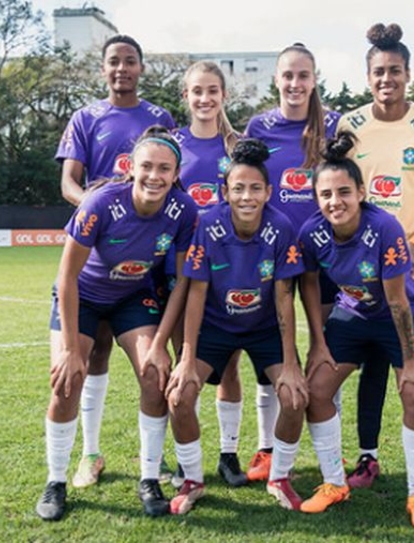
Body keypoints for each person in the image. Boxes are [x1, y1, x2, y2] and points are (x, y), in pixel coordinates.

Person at [35, 127, 198, 521]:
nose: (154, 176)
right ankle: (55, 481)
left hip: (132, 298)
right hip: (84, 298)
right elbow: (67, 278)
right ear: (131, 168)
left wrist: (160, 343)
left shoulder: (183, 210)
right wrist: (73, 350)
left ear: (176, 173)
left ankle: (148, 478)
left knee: (154, 372)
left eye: (164, 168)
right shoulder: (101, 203)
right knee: (67, 379)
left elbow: (179, 284)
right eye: (147, 167)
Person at [336, 23, 414, 498]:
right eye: (379, 72)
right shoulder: (351, 124)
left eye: (395, 71)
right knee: (372, 362)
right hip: (366, 271)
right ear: (369, 78)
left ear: (409, 74)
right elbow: (339, 184)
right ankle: (368, 456)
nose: (387, 78)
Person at [297, 131, 414, 529]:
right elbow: (309, 285)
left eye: (343, 192)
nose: (334, 201)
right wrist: (317, 343)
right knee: (317, 391)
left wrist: (410, 361)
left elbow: (396, 300)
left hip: (401, 315)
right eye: (325, 194)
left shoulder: (385, 228)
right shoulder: (312, 232)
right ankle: (333, 484)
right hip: (353, 314)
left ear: (361, 192)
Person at [54, 34, 176, 489]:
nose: (122, 68)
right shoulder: (86, 117)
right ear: (103, 69)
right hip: (96, 251)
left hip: (146, 259)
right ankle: (90, 454)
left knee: (150, 359)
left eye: (130, 61)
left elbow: (170, 171)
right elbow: (69, 180)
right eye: (113, 62)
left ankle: (154, 461)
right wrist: (97, 209)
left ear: (141, 68)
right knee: (93, 352)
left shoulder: (159, 118)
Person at [165, 139, 307, 515]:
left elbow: (283, 298)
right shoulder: (208, 224)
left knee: (294, 395)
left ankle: (280, 477)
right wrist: (187, 356)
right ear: (224, 191)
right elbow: (196, 293)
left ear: (268, 191)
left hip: (263, 328)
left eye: (255, 188)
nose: (247, 196)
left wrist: (291, 362)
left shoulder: (281, 227)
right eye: (238, 188)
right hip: (215, 326)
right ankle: (193, 480)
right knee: (179, 395)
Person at [243, 42, 340, 482]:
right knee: (272, 356)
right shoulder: (259, 125)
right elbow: (247, 183)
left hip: (325, 257)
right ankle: (266, 450)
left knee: (324, 355)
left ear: (314, 79)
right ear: (276, 80)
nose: (295, 84)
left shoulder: (335, 125)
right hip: (274, 256)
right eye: (288, 76)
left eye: (303, 76)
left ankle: (328, 459)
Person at [169, 60, 249, 488]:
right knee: (183, 362)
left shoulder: (236, 146)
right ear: (186, 96)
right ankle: (186, 457)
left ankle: (228, 453)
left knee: (229, 366)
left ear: (224, 96)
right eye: (196, 91)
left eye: (212, 90)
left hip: (227, 271)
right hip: (179, 269)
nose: (205, 98)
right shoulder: (173, 145)